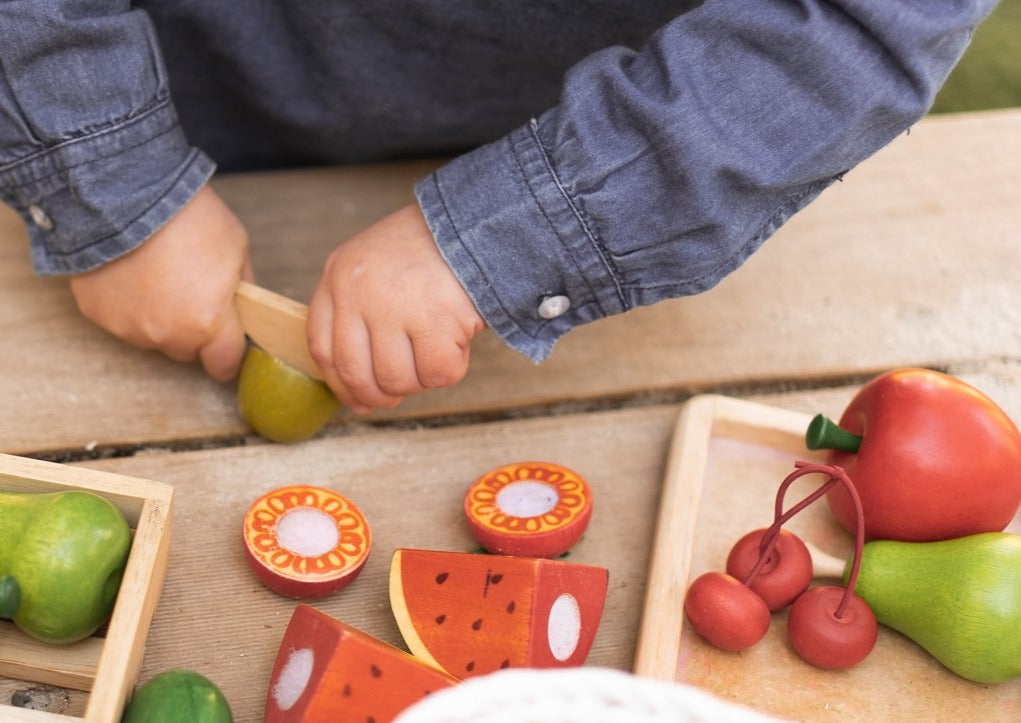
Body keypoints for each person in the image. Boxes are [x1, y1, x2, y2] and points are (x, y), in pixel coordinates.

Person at [0, 1, 997, 415]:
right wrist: (97, 165)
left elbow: (861, 24)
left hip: (597, 134)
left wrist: (521, 225)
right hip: (187, 83)